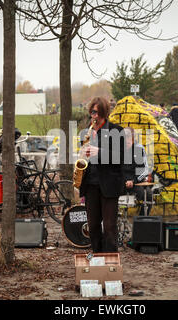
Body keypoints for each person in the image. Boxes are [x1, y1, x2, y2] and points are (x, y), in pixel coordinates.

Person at [78, 96, 125, 253]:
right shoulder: (87, 132)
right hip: (91, 184)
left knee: (110, 225)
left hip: (109, 185)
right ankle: (97, 257)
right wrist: (82, 155)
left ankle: (110, 260)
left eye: (97, 113)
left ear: (105, 113)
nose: (94, 116)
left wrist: (100, 152)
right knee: (92, 225)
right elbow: (83, 157)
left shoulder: (117, 131)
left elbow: (121, 158)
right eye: (92, 112)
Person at [122, 127, 152, 216]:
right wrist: (124, 181)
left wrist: (134, 181)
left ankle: (141, 220)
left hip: (136, 182)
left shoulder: (139, 148)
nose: (126, 141)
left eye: (129, 138)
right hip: (121, 182)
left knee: (149, 195)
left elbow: (145, 169)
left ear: (133, 138)